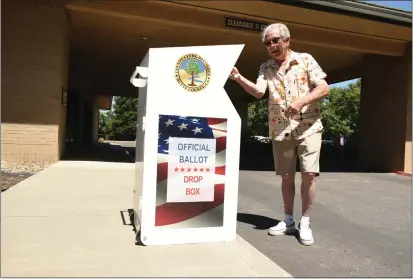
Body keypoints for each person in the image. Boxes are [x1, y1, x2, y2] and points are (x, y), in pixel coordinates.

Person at [229, 23, 329, 246]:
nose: (272, 45)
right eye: (267, 43)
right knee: (286, 177)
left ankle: (305, 221)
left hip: (309, 126)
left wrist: (301, 101)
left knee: (309, 174)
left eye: (275, 40)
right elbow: (258, 91)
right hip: (280, 128)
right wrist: (238, 78)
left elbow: (323, 88)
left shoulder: (305, 59)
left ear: (287, 41)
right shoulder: (266, 67)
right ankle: (288, 220)